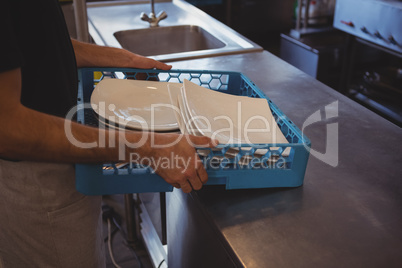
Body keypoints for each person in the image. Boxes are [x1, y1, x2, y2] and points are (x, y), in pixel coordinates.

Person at [0, 0, 217, 267]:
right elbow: (7, 128)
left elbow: (37, 42)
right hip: (37, 179)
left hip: (62, 159)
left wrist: (127, 60)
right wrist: (148, 147)